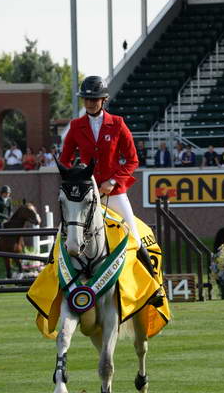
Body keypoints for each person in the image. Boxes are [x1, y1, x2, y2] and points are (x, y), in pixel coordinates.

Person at [59, 75, 163, 305]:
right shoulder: (76, 126)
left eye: (94, 99)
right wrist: (75, 178)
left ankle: (153, 286)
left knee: (134, 237)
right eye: (86, 99)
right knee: (64, 234)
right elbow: (64, 160)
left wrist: (114, 181)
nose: (89, 103)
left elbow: (133, 160)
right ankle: (55, 282)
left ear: (104, 100)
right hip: (87, 193)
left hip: (114, 193)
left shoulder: (117, 123)